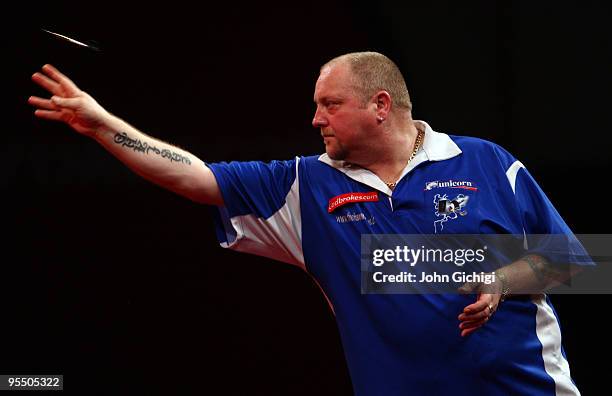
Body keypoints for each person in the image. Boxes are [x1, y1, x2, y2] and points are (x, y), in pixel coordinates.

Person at [29, 52, 585, 395]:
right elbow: (193, 178)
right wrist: (103, 126)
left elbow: (575, 259)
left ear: (380, 105)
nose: (314, 118)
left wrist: (501, 281)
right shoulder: (305, 186)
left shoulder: (486, 162)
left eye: (329, 104)